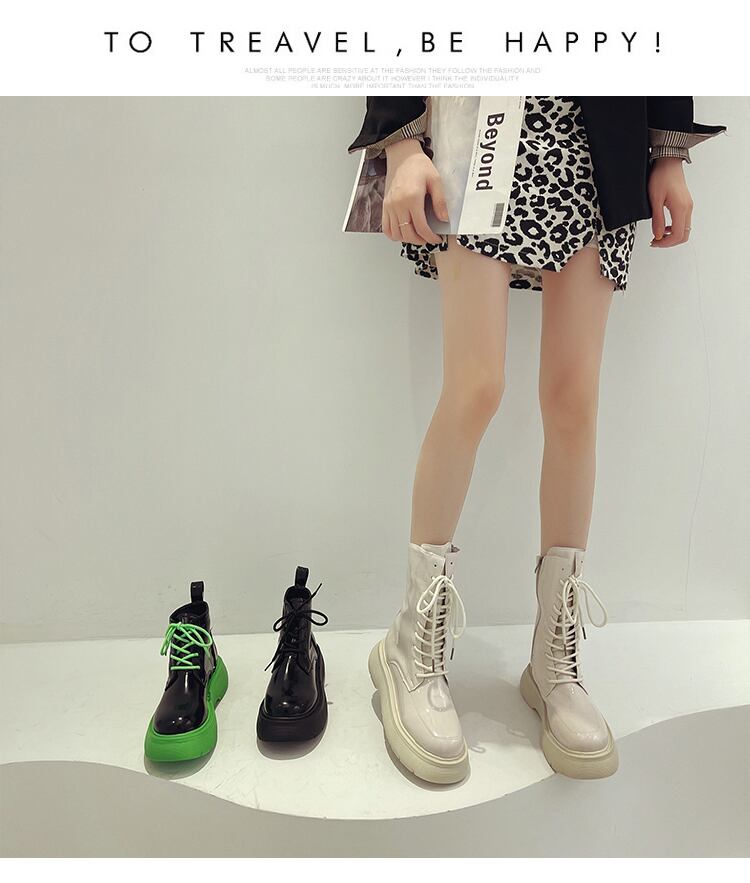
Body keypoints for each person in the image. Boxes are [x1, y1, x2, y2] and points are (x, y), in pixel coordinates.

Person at [347, 96, 725, 784]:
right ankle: (410, 644)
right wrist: (400, 143)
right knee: (476, 387)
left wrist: (667, 152)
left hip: (596, 137)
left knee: (575, 401)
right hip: (479, 128)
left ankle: (554, 659)